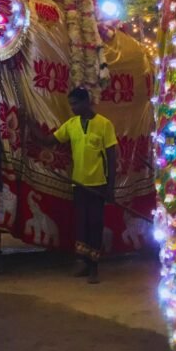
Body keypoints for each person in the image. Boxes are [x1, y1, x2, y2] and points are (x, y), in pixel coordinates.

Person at [32, 86, 117, 283]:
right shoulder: (71, 125)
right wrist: (28, 123)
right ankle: (82, 263)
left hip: (98, 185)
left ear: (87, 102)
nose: (73, 108)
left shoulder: (104, 124)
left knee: (95, 224)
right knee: (81, 224)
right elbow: (47, 140)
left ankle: (94, 267)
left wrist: (110, 188)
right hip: (78, 184)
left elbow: (112, 158)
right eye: (71, 104)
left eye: (76, 104)